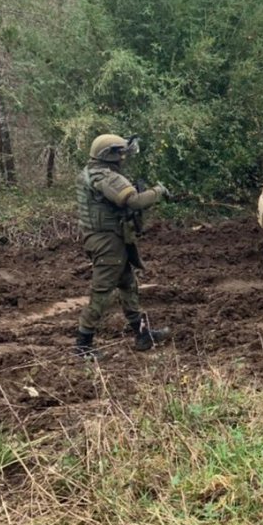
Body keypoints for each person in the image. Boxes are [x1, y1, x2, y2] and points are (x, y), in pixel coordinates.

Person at [74, 133, 171, 360]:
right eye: (119, 152)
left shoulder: (93, 172)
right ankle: (82, 345)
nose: (123, 157)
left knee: (128, 285)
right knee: (102, 292)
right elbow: (134, 200)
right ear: (108, 155)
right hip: (107, 241)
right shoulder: (105, 177)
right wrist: (159, 191)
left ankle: (142, 334)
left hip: (109, 238)